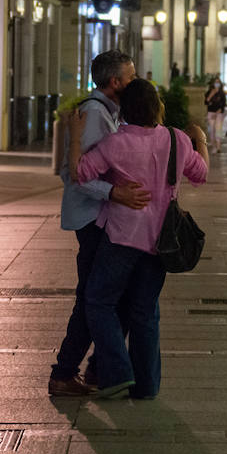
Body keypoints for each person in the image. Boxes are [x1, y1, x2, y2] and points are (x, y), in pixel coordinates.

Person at [69, 80, 209, 398]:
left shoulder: (116, 143)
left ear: (126, 109)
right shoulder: (176, 139)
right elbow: (200, 174)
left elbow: (80, 173)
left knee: (99, 301)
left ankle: (117, 373)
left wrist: (75, 137)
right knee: (144, 311)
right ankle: (146, 386)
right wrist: (199, 140)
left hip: (121, 237)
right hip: (160, 241)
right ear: (156, 106)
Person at [48, 50, 151, 398]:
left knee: (103, 296)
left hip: (101, 216)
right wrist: (115, 193)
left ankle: (96, 368)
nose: (136, 80)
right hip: (92, 218)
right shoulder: (94, 115)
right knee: (93, 298)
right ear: (115, 82)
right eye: (131, 75)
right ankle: (66, 372)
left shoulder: (109, 112)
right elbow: (75, 174)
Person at [204, 78, 227, 153]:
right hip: (211, 113)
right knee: (211, 130)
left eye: (218, 82)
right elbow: (206, 102)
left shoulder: (222, 93)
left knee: (218, 129)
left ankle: (218, 146)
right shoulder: (209, 92)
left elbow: (223, 105)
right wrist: (211, 95)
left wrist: (218, 112)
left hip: (219, 114)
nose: (217, 84)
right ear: (213, 84)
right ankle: (213, 146)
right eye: (215, 82)